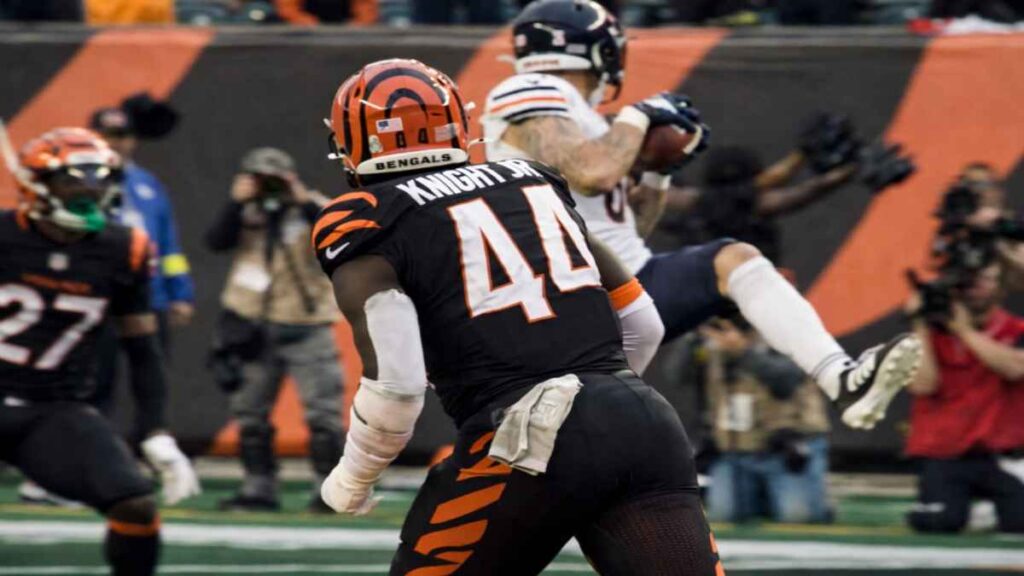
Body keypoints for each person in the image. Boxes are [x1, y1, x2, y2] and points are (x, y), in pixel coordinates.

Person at [314, 58, 723, 575]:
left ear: (353, 141)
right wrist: (601, 410)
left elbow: (397, 387)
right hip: (644, 420)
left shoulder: (363, 217)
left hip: (526, 436)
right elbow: (644, 322)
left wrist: (354, 475)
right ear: (458, 125)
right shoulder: (530, 180)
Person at [482, 0, 922, 431]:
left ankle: (842, 378)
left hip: (617, 282)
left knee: (736, 261)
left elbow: (628, 229)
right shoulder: (529, 90)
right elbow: (593, 174)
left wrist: (658, 173)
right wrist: (636, 117)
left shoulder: (586, 120)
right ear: (596, 49)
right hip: (563, 293)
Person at [0, 127, 174, 575]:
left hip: (51, 410)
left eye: (99, 177)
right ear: (37, 184)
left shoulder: (124, 249)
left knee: (135, 504)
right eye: (74, 179)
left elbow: (142, 348)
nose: (89, 189)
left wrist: (154, 429)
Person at [205, 147, 345, 512]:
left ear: (291, 177)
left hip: (307, 325)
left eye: (274, 179)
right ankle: (259, 488)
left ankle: (330, 491)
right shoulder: (244, 211)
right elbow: (215, 242)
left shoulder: (315, 207)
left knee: (323, 415)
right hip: (252, 326)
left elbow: (344, 240)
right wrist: (236, 204)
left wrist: (304, 203)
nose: (266, 186)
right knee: (250, 413)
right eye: (258, 178)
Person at [86, 107, 196, 445]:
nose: (114, 143)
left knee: (151, 381)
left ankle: (149, 451)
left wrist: (180, 293)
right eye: (106, 135)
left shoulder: (148, 185)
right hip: (99, 298)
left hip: (150, 299)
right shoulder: (80, 182)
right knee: (94, 381)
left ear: (133, 141)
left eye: (121, 136)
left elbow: (168, 246)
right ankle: (88, 451)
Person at [905, 261, 1024, 534]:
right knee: (939, 522)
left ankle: (990, 509)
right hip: (946, 453)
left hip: (1003, 456)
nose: (976, 289)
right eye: (969, 282)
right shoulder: (930, 336)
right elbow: (922, 385)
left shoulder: (1016, 329)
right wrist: (920, 324)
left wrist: (964, 330)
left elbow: (1015, 368)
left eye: (986, 280)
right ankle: (968, 508)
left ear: (1001, 287)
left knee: (1020, 522)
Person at [698, 316, 832, 524]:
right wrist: (690, 336)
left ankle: (813, 501)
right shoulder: (712, 341)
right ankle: (765, 499)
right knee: (723, 516)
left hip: (786, 447)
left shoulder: (789, 331)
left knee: (798, 518)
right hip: (735, 448)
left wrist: (742, 352)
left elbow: (785, 380)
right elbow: (676, 375)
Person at [663, 145, 857, 263]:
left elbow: (802, 189)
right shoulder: (751, 203)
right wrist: (848, 170)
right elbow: (807, 190)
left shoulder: (696, 202)